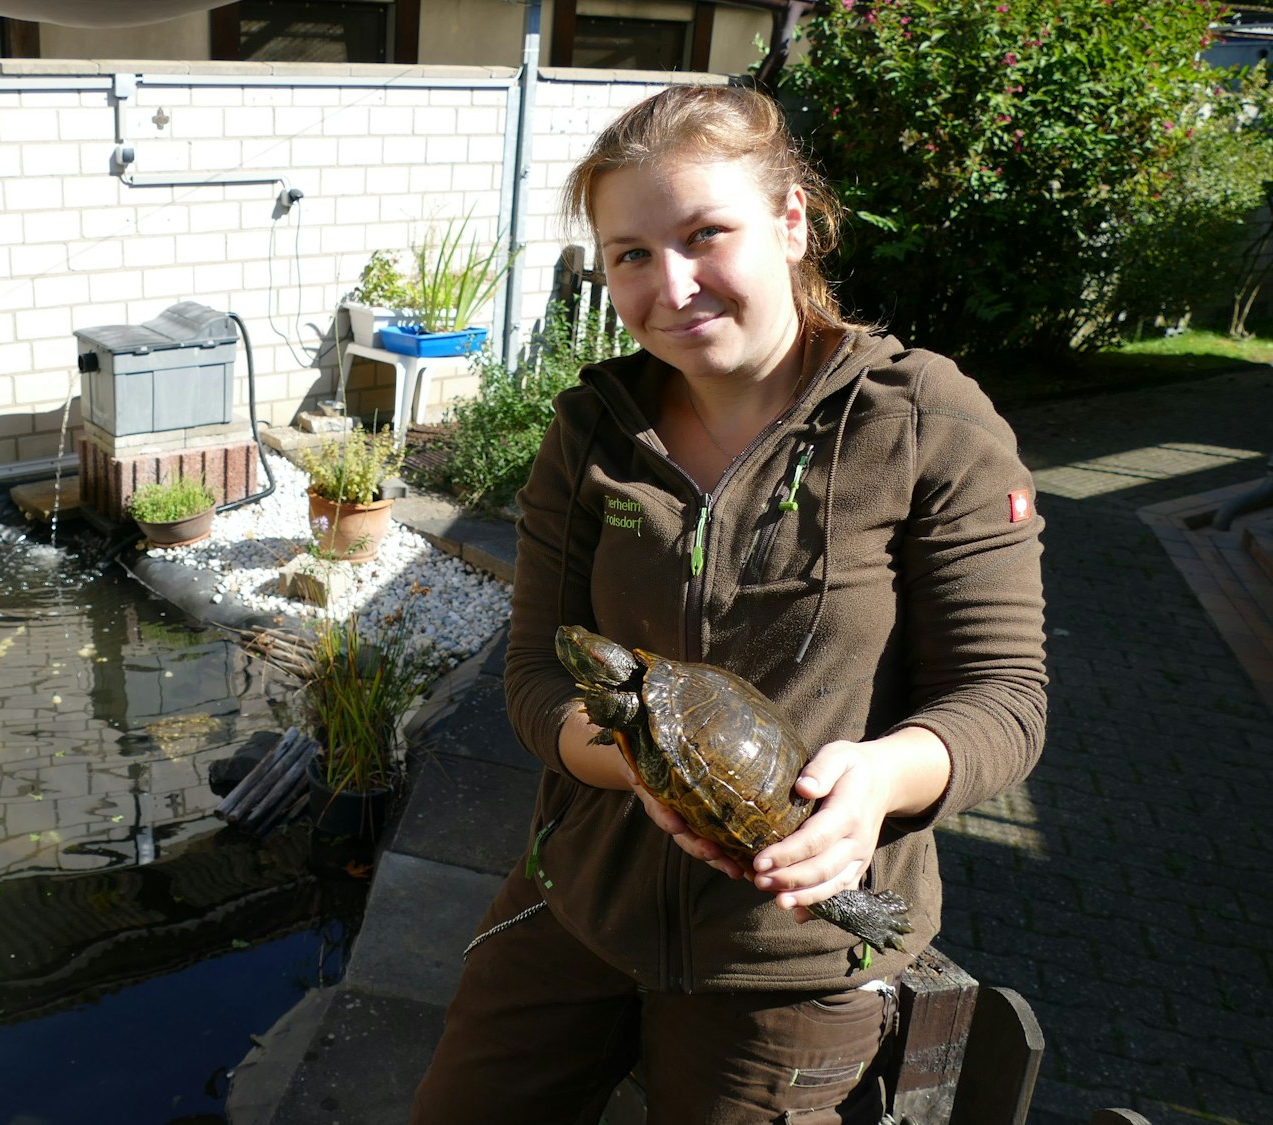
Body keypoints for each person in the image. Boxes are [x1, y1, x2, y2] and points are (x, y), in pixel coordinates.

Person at [407, 85, 1048, 1123]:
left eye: (706, 234)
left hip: (788, 952)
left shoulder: (923, 421)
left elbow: (1004, 699)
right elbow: (532, 674)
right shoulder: (592, 430)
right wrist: (625, 760)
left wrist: (882, 777)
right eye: (629, 254)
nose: (671, 285)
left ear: (792, 221)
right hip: (578, 904)